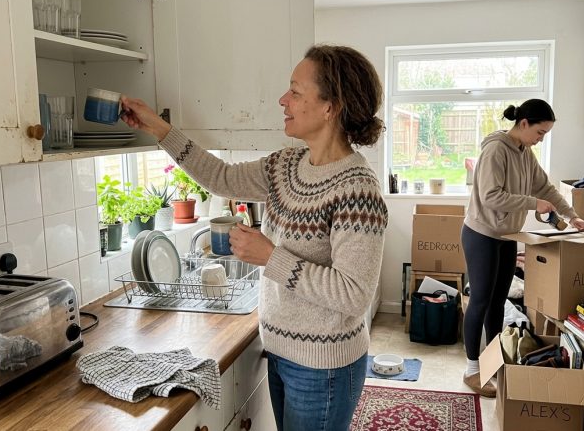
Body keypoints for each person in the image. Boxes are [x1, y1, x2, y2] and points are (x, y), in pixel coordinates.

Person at [120, 44, 388, 431]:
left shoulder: (358, 191)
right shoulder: (287, 164)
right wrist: (157, 128)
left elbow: (353, 294)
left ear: (332, 106)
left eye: (295, 92)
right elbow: (222, 177)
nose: (283, 100)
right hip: (280, 352)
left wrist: (270, 257)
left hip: (324, 368)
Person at [461, 99, 584, 396]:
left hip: (506, 235)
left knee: (498, 301)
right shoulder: (495, 150)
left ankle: (490, 365)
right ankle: (472, 369)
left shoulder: (524, 152)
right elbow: (491, 196)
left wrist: (572, 216)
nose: (541, 138)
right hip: (481, 233)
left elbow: (545, 187)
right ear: (524, 124)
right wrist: (533, 204)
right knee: (480, 300)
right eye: (540, 132)